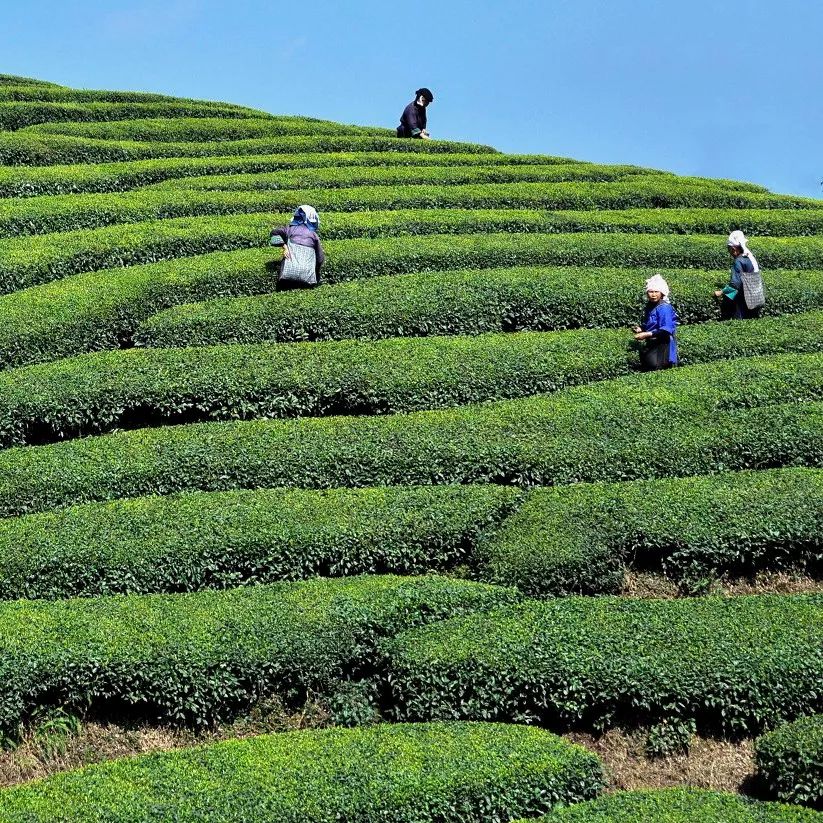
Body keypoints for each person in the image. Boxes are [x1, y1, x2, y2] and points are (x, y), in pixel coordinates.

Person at [269, 205, 325, 291]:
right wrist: (316, 271)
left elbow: (273, 236)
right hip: (307, 278)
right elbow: (320, 259)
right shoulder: (314, 236)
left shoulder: (289, 229)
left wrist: (284, 246)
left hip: (287, 276)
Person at [714, 229, 765, 319]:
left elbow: (735, 284)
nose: (729, 252)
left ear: (734, 249)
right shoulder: (750, 256)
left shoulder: (739, 261)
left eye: (729, 249)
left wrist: (721, 292)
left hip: (745, 301)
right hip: (756, 297)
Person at [633, 274, 678, 370]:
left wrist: (646, 334)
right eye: (651, 292)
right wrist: (641, 328)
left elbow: (666, 330)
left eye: (656, 292)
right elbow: (651, 323)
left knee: (656, 366)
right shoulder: (650, 305)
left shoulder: (664, 308)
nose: (653, 295)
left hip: (663, 343)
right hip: (652, 341)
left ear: (662, 293)